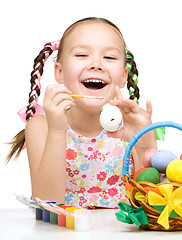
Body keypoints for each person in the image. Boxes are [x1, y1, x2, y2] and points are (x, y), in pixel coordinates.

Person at [7, 17, 157, 208]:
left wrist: (145, 144)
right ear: (59, 72)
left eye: (109, 57)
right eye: (81, 55)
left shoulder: (132, 127)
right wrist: (57, 131)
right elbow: (47, 202)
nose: (96, 64)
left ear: (123, 76)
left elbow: (153, 203)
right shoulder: (41, 127)